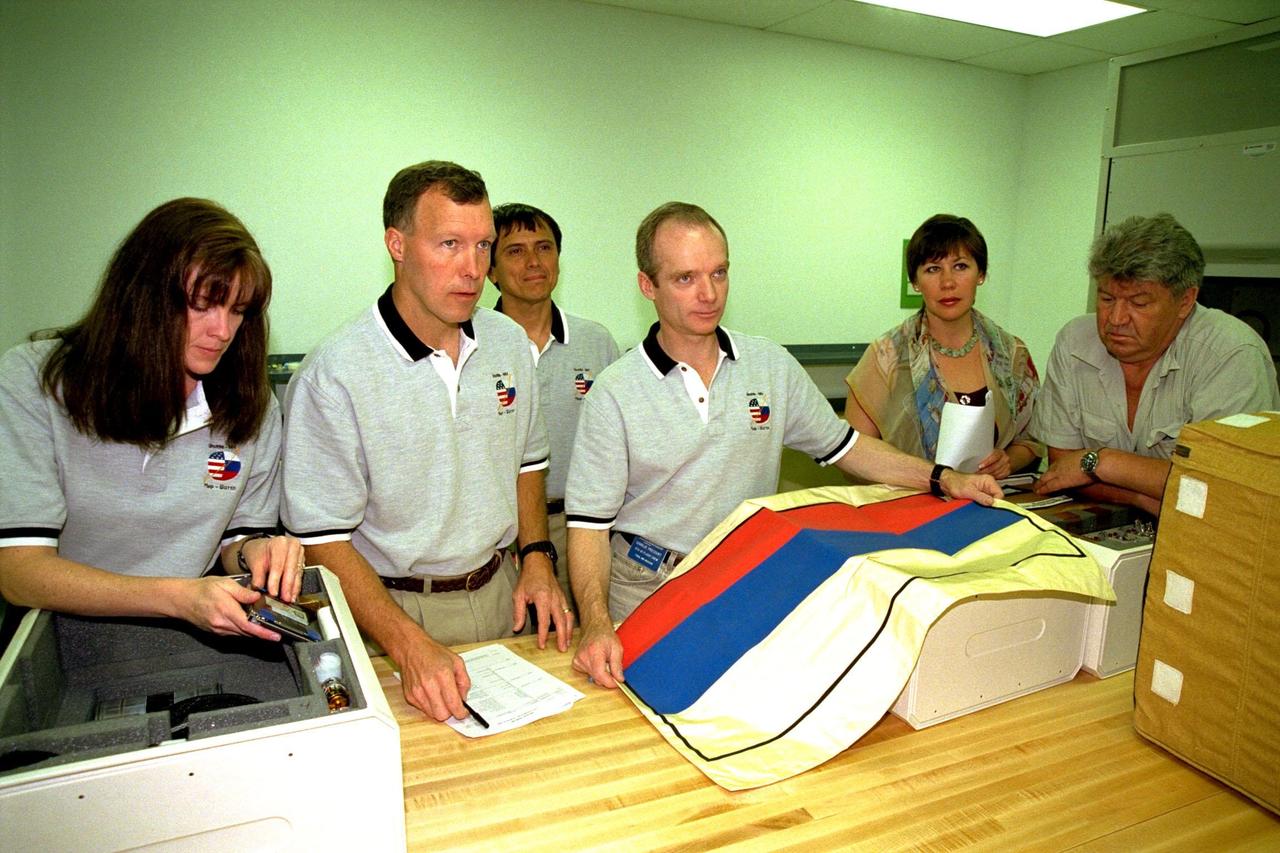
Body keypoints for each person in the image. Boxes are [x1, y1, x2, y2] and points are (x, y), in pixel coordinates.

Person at [565, 202, 1003, 689]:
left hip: (742, 575)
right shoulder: (614, 392)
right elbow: (588, 529)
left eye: (719, 273)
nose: (709, 294)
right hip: (646, 585)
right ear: (649, 286)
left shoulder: (769, 366)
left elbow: (850, 448)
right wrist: (597, 625)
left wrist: (943, 477)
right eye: (685, 278)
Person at [281, 161, 571, 723]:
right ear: (397, 244)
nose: (472, 269)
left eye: (483, 246)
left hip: (498, 593)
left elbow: (528, 465)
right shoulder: (335, 373)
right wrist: (407, 642)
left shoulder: (509, 344)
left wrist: (536, 558)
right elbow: (322, 538)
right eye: (449, 244)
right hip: (387, 614)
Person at [0, 198, 304, 638]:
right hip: (58, 638)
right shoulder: (36, 380)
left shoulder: (252, 405)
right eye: (202, 304)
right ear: (141, 297)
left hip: (190, 633)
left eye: (238, 311)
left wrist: (258, 552)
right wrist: (178, 597)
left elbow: (233, 544)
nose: (223, 331)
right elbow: (18, 571)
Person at [1032, 213, 1279, 515]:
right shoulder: (1074, 342)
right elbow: (1062, 470)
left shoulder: (1230, 353)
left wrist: (1103, 462)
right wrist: (1138, 496)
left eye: (1139, 303)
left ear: (1186, 301)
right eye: (1107, 298)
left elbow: (1223, 486)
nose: (1116, 319)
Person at [488, 202, 620, 607]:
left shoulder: (596, 342)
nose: (533, 261)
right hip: (500, 533)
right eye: (515, 251)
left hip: (581, 524)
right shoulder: (473, 345)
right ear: (490, 271)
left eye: (544, 248)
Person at [844, 214, 1042, 478]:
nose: (948, 282)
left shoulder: (1012, 353)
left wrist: (1008, 461)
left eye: (960, 266)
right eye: (932, 269)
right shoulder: (885, 357)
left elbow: (1033, 439)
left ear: (980, 274)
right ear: (915, 282)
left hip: (993, 505)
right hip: (908, 508)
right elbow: (855, 458)